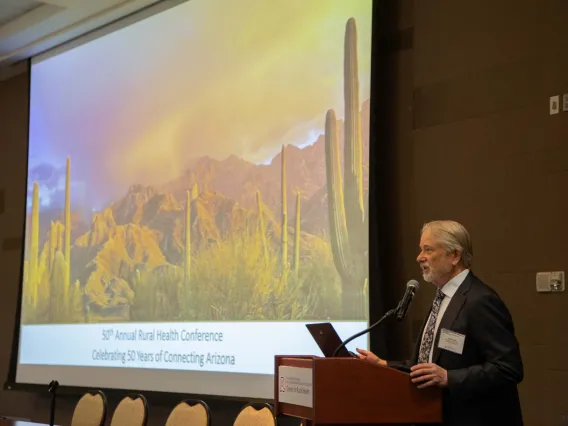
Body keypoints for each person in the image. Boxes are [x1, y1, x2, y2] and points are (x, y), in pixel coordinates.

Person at [356, 220, 524, 426]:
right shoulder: (442, 298)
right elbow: (427, 365)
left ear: (455, 256)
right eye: (420, 250)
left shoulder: (480, 300)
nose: (419, 257)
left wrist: (448, 377)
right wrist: (383, 365)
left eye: (428, 249)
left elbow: (508, 369)